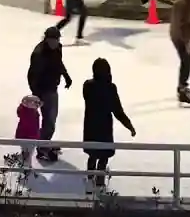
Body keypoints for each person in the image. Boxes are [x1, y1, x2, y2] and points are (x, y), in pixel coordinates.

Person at [82, 57, 136, 193]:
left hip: (90, 126)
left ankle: (89, 180)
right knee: (103, 155)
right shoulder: (110, 88)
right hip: (104, 127)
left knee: (92, 154)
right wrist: (129, 125)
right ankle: (100, 182)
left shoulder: (87, 86)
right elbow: (117, 110)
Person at [27, 27, 72, 164]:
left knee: (50, 120)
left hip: (52, 87)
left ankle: (44, 142)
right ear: (46, 39)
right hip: (43, 91)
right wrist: (37, 95)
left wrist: (66, 75)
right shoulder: (39, 54)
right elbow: (32, 76)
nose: (54, 43)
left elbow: (58, 62)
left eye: (56, 40)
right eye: (52, 40)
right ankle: (42, 149)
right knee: (49, 121)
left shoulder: (58, 48)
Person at [14, 94, 42, 175]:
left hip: (29, 136)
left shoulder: (31, 111)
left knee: (27, 152)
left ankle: (23, 161)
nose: (37, 105)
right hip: (27, 136)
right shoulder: (28, 112)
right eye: (35, 103)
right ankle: (27, 168)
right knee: (28, 153)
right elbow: (30, 126)